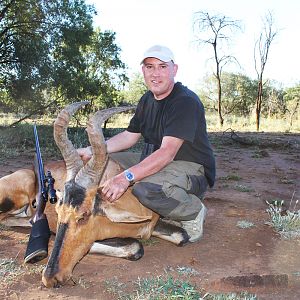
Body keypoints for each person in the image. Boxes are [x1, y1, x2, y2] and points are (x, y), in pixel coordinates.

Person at [78, 45, 216, 242]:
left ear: (174, 69)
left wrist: (125, 177)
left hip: (191, 167)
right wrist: (93, 151)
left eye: (162, 67)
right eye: (150, 67)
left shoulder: (185, 102)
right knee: (101, 162)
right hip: (154, 158)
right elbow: (129, 136)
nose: (155, 74)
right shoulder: (147, 99)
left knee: (146, 189)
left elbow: (167, 152)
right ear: (143, 70)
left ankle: (193, 211)